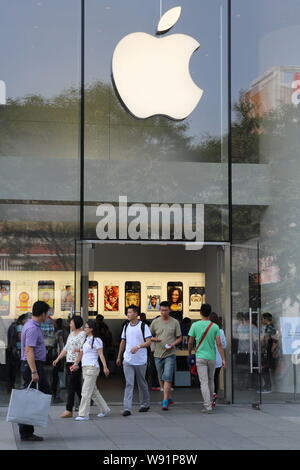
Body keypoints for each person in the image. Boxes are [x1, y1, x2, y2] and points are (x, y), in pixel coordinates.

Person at [18, 301, 51, 442]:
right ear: (43, 313)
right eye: (47, 313)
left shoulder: (32, 326)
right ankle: (25, 428)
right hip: (33, 365)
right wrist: (34, 371)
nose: (48, 316)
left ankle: (26, 426)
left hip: (34, 365)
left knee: (35, 396)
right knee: (34, 397)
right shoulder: (32, 328)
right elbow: (29, 350)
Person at [188, 304, 226, 413]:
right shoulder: (214, 326)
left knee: (203, 382)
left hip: (200, 356)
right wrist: (223, 359)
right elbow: (219, 344)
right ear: (210, 313)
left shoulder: (195, 325)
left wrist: (190, 352)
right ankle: (210, 401)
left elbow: (190, 342)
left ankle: (207, 405)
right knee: (211, 380)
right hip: (212, 357)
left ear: (200, 312)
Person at [71, 319, 110, 421]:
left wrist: (105, 367)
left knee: (85, 392)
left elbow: (101, 354)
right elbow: (82, 353)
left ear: (91, 329)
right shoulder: (86, 339)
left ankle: (83, 414)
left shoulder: (97, 340)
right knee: (93, 391)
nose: (84, 328)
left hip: (92, 367)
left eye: (86, 327)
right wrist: (75, 364)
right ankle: (105, 409)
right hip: (85, 367)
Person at [116, 305, 152, 416]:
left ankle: (145, 404)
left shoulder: (143, 326)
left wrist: (138, 346)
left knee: (141, 383)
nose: (128, 314)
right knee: (129, 383)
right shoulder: (126, 326)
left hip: (141, 360)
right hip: (128, 359)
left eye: (130, 312)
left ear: (136, 314)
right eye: (128, 312)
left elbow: (149, 342)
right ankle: (127, 408)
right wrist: (119, 356)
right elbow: (123, 342)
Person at [150, 301, 182, 411]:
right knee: (161, 378)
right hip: (158, 354)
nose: (163, 312)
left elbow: (179, 337)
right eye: (162, 310)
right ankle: (169, 397)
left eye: (165, 310)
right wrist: (155, 339)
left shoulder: (175, 322)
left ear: (169, 310)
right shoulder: (155, 322)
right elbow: (149, 336)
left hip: (170, 354)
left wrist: (172, 344)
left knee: (167, 376)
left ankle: (164, 401)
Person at [53, 315, 86, 418]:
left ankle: (68, 410)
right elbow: (66, 348)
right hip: (69, 362)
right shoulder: (71, 334)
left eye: (71, 323)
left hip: (76, 363)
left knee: (71, 386)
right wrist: (58, 359)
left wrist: (76, 363)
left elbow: (82, 350)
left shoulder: (82, 334)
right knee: (76, 386)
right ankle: (85, 404)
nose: (69, 324)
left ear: (76, 323)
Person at [6, 313, 28, 391]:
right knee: (17, 369)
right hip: (17, 350)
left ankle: (11, 386)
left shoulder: (13, 325)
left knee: (12, 369)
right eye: (26, 320)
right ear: (22, 320)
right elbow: (20, 338)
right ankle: (17, 385)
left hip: (13, 349)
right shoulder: (19, 327)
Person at [209, 312, 227, 407]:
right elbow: (224, 345)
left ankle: (207, 398)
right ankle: (214, 398)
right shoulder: (220, 331)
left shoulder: (205, 330)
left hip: (207, 357)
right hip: (218, 359)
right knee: (215, 378)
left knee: (207, 378)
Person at [261, 312, 279, 393]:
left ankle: (268, 387)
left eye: (262, 318)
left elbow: (274, 340)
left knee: (265, 368)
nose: (261, 320)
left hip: (268, 351)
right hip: (268, 351)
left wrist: (272, 350)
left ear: (265, 319)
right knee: (265, 368)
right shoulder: (269, 327)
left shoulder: (270, 327)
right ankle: (267, 386)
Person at [51, 318, 65, 403]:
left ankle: (54, 394)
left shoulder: (54, 332)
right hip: (57, 356)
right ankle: (56, 395)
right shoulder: (60, 333)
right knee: (56, 376)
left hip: (52, 357)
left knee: (53, 376)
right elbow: (61, 345)